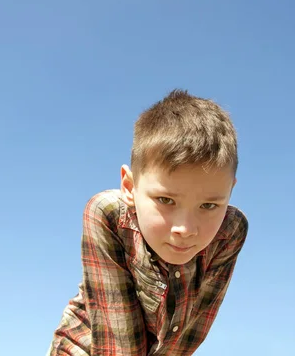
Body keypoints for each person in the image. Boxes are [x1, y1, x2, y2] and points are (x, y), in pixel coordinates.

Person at [47, 89, 249, 355]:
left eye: (209, 205)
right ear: (129, 187)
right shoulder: (107, 214)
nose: (185, 229)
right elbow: (116, 332)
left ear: (230, 191)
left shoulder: (230, 231)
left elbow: (191, 330)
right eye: (166, 200)